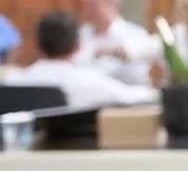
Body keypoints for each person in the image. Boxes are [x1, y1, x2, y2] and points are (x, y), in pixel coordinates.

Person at [5, 10, 157, 109]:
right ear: (77, 47)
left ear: (36, 46)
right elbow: (139, 97)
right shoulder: (91, 83)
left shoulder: (13, 83)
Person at [73, 0, 156, 86]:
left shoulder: (135, 35)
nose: (86, 10)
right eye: (83, 4)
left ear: (112, 3)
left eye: (92, 5)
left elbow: (137, 75)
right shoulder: (79, 34)